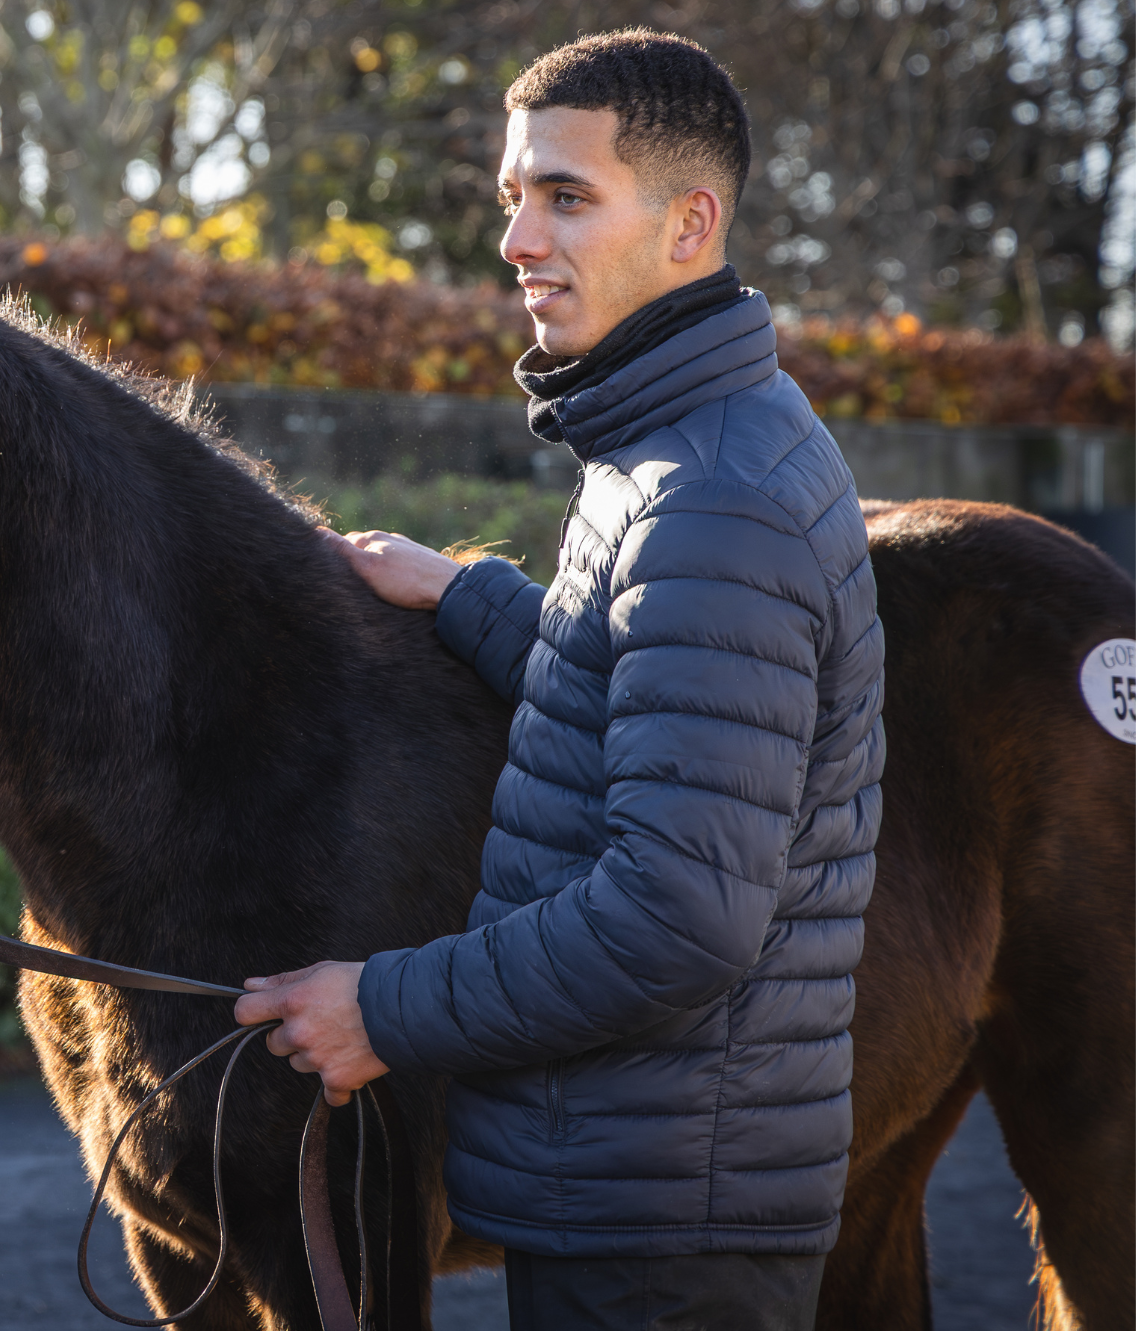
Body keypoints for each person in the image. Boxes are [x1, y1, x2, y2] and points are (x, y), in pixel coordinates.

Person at [237, 29, 885, 1331]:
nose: (518, 240)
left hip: (663, 1222)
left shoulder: (710, 496)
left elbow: (674, 918)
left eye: (566, 196)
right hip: (650, 1185)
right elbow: (643, 707)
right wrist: (466, 592)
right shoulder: (672, 451)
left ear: (692, 222)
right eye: (513, 198)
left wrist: (382, 1006)